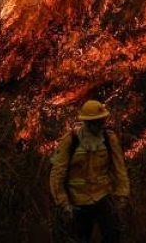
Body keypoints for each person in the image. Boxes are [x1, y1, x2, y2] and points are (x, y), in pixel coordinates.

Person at [50, 100, 130, 243]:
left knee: (112, 235)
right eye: (96, 122)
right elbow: (57, 174)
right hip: (78, 201)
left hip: (102, 196)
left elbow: (120, 169)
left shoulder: (109, 139)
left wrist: (122, 195)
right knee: (81, 238)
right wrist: (63, 202)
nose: (100, 125)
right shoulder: (70, 141)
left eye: (101, 121)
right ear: (87, 122)